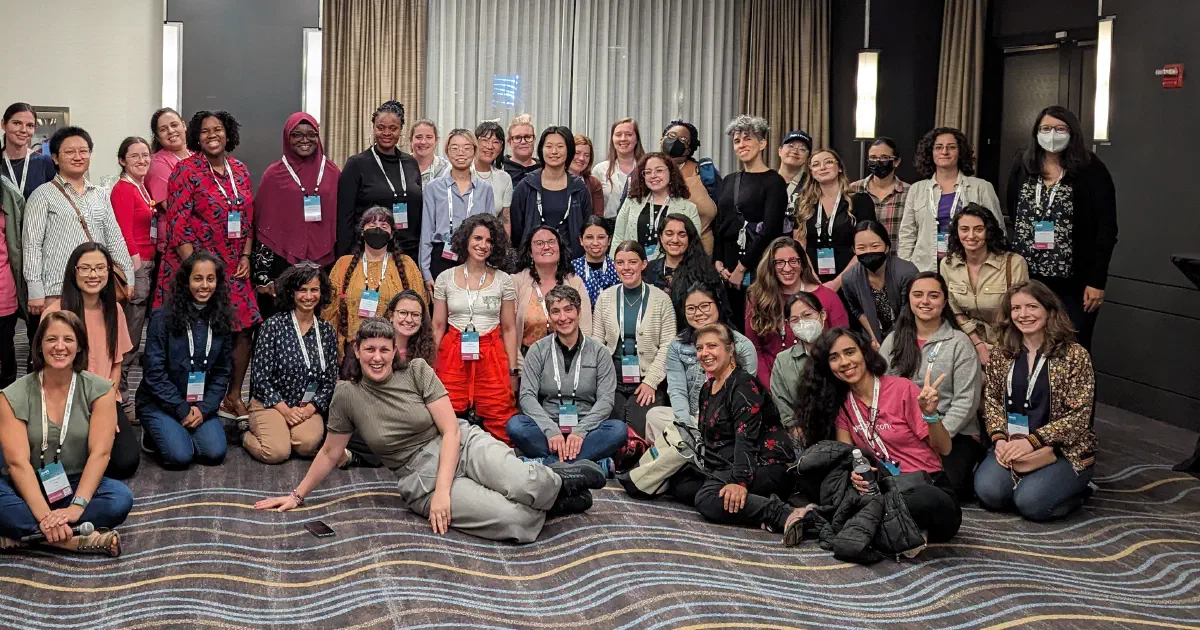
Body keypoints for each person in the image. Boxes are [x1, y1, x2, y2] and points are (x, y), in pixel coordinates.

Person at [255, 318, 608, 543]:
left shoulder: (418, 370)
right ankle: (555, 504)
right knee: (514, 519)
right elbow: (332, 452)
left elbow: (451, 431)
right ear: (356, 352)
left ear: (395, 351)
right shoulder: (347, 394)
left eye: (384, 349)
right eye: (369, 350)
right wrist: (297, 495)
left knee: (526, 484)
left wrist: (445, 494)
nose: (377, 357)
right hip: (418, 476)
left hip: (459, 443)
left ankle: (558, 481)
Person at [796, 328, 962, 542]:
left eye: (850, 352)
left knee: (927, 500)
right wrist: (854, 475)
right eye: (834, 357)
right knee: (823, 482)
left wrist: (930, 415)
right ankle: (892, 532)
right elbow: (846, 459)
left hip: (926, 485)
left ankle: (855, 527)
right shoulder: (843, 407)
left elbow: (945, 448)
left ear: (864, 352)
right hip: (883, 489)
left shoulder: (902, 388)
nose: (845, 362)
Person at [153, 110, 259, 423]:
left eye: (218, 129)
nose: (212, 135)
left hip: (233, 263)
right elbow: (177, 225)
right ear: (196, 137)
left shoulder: (239, 170)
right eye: (205, 131)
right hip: (194, 265)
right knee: (188, 332)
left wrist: (246, 256)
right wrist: (196, 272)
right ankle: (179, 400)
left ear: (229, 134)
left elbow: (248, 219)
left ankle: (232, 394)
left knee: (244, 326)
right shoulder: (186, 170)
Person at [0, 311, 131, 557]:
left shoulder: (101, 391)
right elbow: (17, 465)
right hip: (22, 484)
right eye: (51, 340)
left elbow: (100, 454)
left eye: (68, 340)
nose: (59, 347)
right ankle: (75, 540)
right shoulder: (12, 395)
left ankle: (23, 537)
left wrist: (76, 508)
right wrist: (45, 517)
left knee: (120, 499)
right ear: (39, 345)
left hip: (73, 483)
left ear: (80, 346)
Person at [664, 323, 808, 538]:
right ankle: (756, 501)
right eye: (700, 348)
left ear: (730, 350)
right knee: (680, 485)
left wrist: (738, 482)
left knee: (707, 500)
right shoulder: (708, 387)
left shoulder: (743, 385)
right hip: (726, 463)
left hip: (764, 464)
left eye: (712, 346)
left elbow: (746, 440)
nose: (705, 353)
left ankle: (783, 514)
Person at [973, 280, 1096, 520]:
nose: (1024, 314)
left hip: (1062, 450)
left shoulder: (1074, 355)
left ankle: (1080, 489)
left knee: (1031, 505)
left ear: (1048, 310)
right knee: (989, 494)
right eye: (1016, 309)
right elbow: (993, 402)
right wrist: (999, 439)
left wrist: (1034, 441)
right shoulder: (1001, 354)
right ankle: (1035, 484)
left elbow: (1080, 414)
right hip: (1012, 444)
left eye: (1032, 306)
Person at [1005, 106, 1117, 350]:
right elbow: (1012, 207)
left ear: (1072, 133)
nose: (1052, 134)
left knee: (1072, 350)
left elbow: (1106, 228)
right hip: (1029, 278)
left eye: (1060, 129)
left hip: (1074, 284)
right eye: (1045, 128)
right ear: (1036, 132)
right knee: (1029, 347)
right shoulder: (1023, 163)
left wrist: (1097, 281)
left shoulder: (1090, 169)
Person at [879, 273, 982, 500]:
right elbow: (881, 392)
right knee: (886, 480)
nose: (925, 301)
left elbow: (967, 400)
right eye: (918, 295)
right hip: (904, 432)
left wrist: (936, 436)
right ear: (909, 300)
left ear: (944, 302)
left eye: (933, 295)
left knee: (945, 487)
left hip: (952, 433)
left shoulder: (959, 343)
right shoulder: (893, 341)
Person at [40, 243, 138, 480]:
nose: (93, 275)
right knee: (56, 461)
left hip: (103, 398)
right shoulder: (56, 313)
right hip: (64, 401)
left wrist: (106, 407)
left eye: (100, 268)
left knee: (126, 463)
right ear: (74, 272)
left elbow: (116, 363)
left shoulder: (114, 310)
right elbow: (47, 371)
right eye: (85, 268)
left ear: (108, 271)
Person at [507, 285, 625, 469]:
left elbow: (606, 400)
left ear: (578, 311)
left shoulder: (600, 352)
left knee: (618, 430)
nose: (563, 318)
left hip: (587, 429)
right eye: (555, 312)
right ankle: (586, 462)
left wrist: (580, 431)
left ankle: (548, 463)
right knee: (515, 425)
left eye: (568, 309)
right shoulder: (537, 350)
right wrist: (550, 430)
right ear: (549, 316)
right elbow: (527, 396)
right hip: (547, 428)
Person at [23, 127, 135, 319]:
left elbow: (115, 238)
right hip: (57, 290)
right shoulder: (42, 195)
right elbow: (32, 245)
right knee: (61, 347)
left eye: (83, 151)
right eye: (69, 152)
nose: (78, 156)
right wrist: (35, 289)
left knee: (96, 345)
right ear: (56, 158)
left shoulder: (100, 194)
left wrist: (128, 276)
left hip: (97, 287)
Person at [137, 251, 231, 468]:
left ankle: (180, 431)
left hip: (199, 403)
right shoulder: (162, 318)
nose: (204, 285)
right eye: (198, 278)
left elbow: (222, 372)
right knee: (180, 457)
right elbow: (154, 374)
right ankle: (153, 432)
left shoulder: (222, 318)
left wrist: (204, 409)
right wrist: (181, 409)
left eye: (210, 279)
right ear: (186, 281)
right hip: (160, 403)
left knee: (214, 453)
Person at [432, 214, 520, 444]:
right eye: (478, 238)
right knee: (445, 412)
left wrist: (513, 370)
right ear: (465, 240)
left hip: (492, 354)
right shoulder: (445, 278)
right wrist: (431, 363)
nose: (483, 245)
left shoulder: (504, 280)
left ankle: (498, 465)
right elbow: (438, 325)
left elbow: (509, 329)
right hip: (452, 353)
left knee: (499, 414)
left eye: (489, 241)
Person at [242, 263, 337, 464]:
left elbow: (329, 382)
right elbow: (260, 379)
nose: (309, 296)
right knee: (276, 453)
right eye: (302, 290)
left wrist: (310, 409)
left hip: (306, 406)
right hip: (271, 403)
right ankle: (243, 434)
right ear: (291, 293)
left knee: (306, 444)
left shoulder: (327, 331)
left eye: (314, 290)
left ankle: (285, 433)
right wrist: (286, 411)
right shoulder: (272, 326)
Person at [252, 113, 340, 321]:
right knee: (281, 323)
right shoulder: (273, 174)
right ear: (286, 138)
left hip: (325, 261)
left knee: (319, 321)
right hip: (281, 263)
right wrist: (262, 275)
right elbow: (262, 226)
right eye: (297, 134)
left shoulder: (332, 171)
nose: (304, 139)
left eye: (311, 134)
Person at [646, 285, 757, 442]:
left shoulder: (742, 346)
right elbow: (677, 391)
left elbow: (746, 396)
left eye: (705, 305)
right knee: (654, 416)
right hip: (693, 418)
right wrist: (687, 428)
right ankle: (695, 450)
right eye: (691, 308)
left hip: (727, 421)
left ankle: (691, 456)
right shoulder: (677, 346)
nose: (698, 313)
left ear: (718, 305)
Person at [592, 241, 676, 437]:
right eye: (620, 263)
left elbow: (668, 344)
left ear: (644, 264)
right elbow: (596, 341)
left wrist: (651, 382)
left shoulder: (661, 299)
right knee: (611, 431)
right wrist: (601, 381)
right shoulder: (605, 298)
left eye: (632, 262)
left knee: (640, 427)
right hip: (612, 378)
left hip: (648, 377)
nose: (626, 268)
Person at [713, 116, 788, 327]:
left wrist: (742, 268)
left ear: (762, 143)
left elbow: (771, 230)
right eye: (737, 141)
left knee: (757, 323)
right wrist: (718, 262)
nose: (741, 145)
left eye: (747, 139)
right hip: (727, 266)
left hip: (757, 265)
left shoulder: (774, 181)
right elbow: (721, 224)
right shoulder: (729, 180)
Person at [746, 237, 849, 387]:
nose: (787, 268)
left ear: (802, 264)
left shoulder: (827, 297)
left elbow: (843, 343)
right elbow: (755, 349)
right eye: (780, 262)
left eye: (793, 261)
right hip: (774, 383)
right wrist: (771, 388)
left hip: (822, 382)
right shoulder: (758, 298)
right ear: (771, 266)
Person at [325, 207, 426, 361]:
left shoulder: (406, 265)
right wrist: (335, 353)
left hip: (394, 353)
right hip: (353, 353)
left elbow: (420, 312)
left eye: (384, 226)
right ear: (361, 231)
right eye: (371, 226)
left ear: (391, 234)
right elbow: (329, 313)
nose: (377, 229)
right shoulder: (343, 264)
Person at [898, 127, 1003, 273]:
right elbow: (907, 234)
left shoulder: (982, 187)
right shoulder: (917, 189)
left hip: (969, 269)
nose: (944, 152)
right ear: (931, 152)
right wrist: (904, 270)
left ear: (960, 152)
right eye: (938, 147)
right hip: (925, 269)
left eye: (951, 147)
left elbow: (997, 232)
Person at [940, 203, 1029, 364]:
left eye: (979, 229)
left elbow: (1021, 311)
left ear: (988, 232)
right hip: (967, 342)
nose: (971, 235)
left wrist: (999, 350)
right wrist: (977, 344)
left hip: (1008, 343)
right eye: (964, 229)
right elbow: (954, 310)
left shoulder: (1014, 263)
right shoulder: (947, 264)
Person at [336, 100, 423, 259]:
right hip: (370, 253)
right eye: (381, 127)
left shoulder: (410, 163)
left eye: (393, 128)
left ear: (401, 130)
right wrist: (345, 259)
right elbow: (344, 220)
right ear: (373, 129)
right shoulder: (356, 164)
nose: (386, 133)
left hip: (409, 253)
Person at [110, 137, 157, 407]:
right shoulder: (123, 189)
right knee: (130, 332)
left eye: (145, 155)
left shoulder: (142, 187)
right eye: (135, 156)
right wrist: (135, 268)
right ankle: (121, 396)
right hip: (135, 266)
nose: (142, 160)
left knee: (138, 328)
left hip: (147, 264)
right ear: (122, 160)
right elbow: (123, 231)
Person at [420, 129, 496, 283]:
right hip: (441, 256)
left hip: (476, 256)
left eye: (467, 148)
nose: (461, 153)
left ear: (475, 151)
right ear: (447, 152)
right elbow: (426, 231)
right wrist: (425, 271)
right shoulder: (433, 188)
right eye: (454, 148)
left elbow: (492, 232)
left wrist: (490, 265)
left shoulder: (485, 189)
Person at [795, 148, 876, 288]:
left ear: (839, 168)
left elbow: (866, 246)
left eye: (828, 162)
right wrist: (811, 277)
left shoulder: (860, 201)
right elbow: (799, 245)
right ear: (811, 173)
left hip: (851, 278)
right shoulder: (803, 204)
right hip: (812, 279)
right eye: (815, 164)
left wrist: (837, 282)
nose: (822, 167)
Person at [509, 126, 592, 259]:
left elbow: (586, 228)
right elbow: (516, 231)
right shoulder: (526, 186)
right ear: (541, 150)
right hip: (532, 263)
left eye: (560, 146)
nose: (554, 151)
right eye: (549, 146)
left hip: (571, 264)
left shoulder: (579, 188)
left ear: (569, 150)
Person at [513, 226, 592, 359]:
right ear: (530, 252)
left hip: (570, 360)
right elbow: (509, 332)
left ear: (559, 248)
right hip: (527, 361)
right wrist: (522, 370)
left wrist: (578, 366)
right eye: (539, 243)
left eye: (551, 242)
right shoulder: (516, 282)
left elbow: (585, 329)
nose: (546, 247)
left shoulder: (575, 282)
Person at [610, 153, 701, 261]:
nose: (653, 175)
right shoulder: (630, 202)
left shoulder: (688, 208)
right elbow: (618, 238)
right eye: (648, 172)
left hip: (672, 272)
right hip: (632, 270)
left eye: (659, 170)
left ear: (671, 173)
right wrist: (615, 267)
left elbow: (694, 246)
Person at [842, 221, 918, 349]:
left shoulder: (907, 272)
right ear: (854, 250)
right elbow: (857, 310)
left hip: (908, 334)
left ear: (887, 246)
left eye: (875, 246)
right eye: (861, 248)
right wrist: (874, 338)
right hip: (873, 339)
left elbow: (909, 311)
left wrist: (891, 344)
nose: (869, 251)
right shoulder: (849, 279)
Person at [660, 120, 722, 255]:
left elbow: (722, 215)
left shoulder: (705, 173)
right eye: (671, 136)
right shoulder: (646, 172)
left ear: (690, 148)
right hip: (655, 256)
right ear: (661, 140)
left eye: (683, 139)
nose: (675, 141)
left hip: (700, 254)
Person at [770, 292, 826, 429]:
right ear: (788, 324)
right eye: (795, 320)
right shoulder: (783, 361)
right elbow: (783, 406)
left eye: (808, 315)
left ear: (822, 315)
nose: (803, 323)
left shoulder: (840, 349)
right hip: (805, 435)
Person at [644, 214, 723, 303]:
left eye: (682, 235)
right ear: (661, 237)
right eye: (669, 234)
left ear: (690, 238)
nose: (675, 240)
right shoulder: (650, 268)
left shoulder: (705, 271)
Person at [850, 137, 908, 249]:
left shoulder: (910, 192)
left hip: (897, 258)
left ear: (896, 162)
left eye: (884, 158)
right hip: (862, 260)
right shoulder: (853, 189)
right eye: (873, 158)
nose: (878, 162)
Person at [592, 118, 646, 221]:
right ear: (612, 139)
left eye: (629, 134)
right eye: (618, 134)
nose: (623, 138)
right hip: (608, 230)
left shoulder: (647, 169)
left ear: (637, 139)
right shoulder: (600, 170)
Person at [2, 103, 56, 199]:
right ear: (3, 124)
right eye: (17, 123)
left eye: (30, 125)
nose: (23, 130)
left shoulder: (45, 163)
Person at [146, 107, 191, 207]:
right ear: (158, 137)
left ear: (183, 125)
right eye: (163, 129)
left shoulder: (198, 155)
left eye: (174, 125)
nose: (170, 131)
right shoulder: (156, 164)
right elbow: (172, 206)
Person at [571, 216, 618, 306]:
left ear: (609, 240)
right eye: (589, 237)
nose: (595, 243)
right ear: (581, 240)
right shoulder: (572, 269)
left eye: (601, 237)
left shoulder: (617, 268)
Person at [472, 121, 513, 221]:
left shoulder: (504, 178)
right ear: (474, 142)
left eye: (496, 142)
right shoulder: (458, 171)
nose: (490, 146)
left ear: (501, 148)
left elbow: (505, 218)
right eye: (485, 140)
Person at [384, 289, 435, 364]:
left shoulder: (427, 351)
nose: (409, 320)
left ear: (421, 320)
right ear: (391, 315)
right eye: (403, 313)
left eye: (415, 314)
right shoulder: (377, 348)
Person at [776, 130, 811, 228]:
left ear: (808, 158)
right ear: (780, 151)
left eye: (802, 149)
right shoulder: (766, 180)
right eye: (790, 146)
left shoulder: (811, 184)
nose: (795, 151)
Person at [569, 135, 605, 215]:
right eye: (577, 153)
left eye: (587, 155)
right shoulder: (554, 179)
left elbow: (597, 218)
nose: (582, 158)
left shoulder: (594, 184)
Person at [501, 114, 540, 186]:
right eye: (517, 138)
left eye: (528, 137)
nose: (523, 142)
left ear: (534, 139)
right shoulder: (500, 169)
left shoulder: (544, 169)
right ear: (509, 141)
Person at [410, 120, 449, 185]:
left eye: (429, 137)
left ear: (436, 141)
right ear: (411, 140)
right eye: (419, 137)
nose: (423, 142)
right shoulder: (400, 166)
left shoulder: (446, 169)